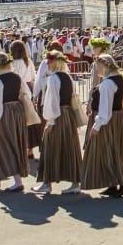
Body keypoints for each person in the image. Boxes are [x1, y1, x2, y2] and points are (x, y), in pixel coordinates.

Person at [83, 54, 123, 198]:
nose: (97, 71)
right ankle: (114, 183)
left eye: (98, 68)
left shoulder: (107, 84)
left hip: (110, 120)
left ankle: (120, 181)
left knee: (108, 151)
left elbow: (105, 110)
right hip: (118, 117)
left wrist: (97, 125)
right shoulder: (118, 78)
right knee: (116, 150)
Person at [34, 50, 83, 195]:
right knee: (70, 147)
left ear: (56, 62)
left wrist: (50, 121)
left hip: (58, 115)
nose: (47, 64)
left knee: (50, 147)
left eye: (50, 61)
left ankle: (46, 183)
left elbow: (52, 101)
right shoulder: (67, 77)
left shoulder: (54, 78)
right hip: (68, 115)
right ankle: (75, 182)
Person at [0, 50, 35, 193]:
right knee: (15, 143)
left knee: (3, 144)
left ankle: (16, 181)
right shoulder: (17, 77)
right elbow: (27, 93)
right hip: (17, 112)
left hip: (4, 114)